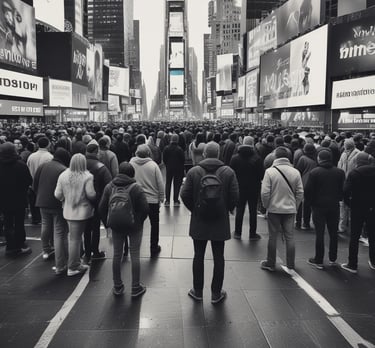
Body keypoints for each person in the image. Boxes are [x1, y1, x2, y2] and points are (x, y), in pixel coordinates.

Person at [180, 141, 239, 304]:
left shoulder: (193, 171)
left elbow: (184, 194)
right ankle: (216, 293)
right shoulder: (228, 172)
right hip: (220, 220)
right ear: (219, 154)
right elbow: (235, 195)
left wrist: (195, 209)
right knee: (219, 256)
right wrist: (227, 208)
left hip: (200, 220)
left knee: (198, 255)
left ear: (204, 154)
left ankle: (197, 291)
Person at [99, 162, 149, 296]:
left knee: (117, 254)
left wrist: (108, 223)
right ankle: (135, 287)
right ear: (132, 173)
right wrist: (138, 222)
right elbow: (145, 208)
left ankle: (117, 286)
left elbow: (101, 208)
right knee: (135, 255)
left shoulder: (109, 187)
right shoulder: (136, 187)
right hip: (134, 227)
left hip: (116, 225)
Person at [260, 147, 304, 272]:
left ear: (275, 157)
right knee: (290, 237)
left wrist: (266, 205)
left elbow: (265, 193)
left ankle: (270, 262)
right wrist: (295, 205)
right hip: (290, 209)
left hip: (274, 209)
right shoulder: (295, 172)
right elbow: (300, 192)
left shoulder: (270, 172)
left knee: (272, 236)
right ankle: (291, 263)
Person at [55, 153, 96, 276]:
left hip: (67, 211)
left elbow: (57, 194)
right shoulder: (87, 176)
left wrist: (65, 199)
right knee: (75, 239)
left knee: (72, 238)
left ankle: (67, 264)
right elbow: (91, 194)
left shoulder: (63, 175)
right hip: (82, 212)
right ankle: (73, 267)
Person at [304, 150, 345, 269]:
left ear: (319, 159)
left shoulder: (315, 172)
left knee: (320, 233)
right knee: (333, 233)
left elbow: (308, 190)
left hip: (318, 206)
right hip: (334, 205)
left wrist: (310, 202)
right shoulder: (340, 172)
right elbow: (343, 189)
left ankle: (319, 259)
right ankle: (333, 258)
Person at [33, 148, 71, 267]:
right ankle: (62, 259)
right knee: (59, 232)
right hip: (56, 203)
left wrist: (39, 195)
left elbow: (35, 184)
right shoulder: (63, 170)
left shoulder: (42, 166)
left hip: (41, 201)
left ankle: (46, 249)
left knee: (45, 225)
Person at [342, 153, 375, 273]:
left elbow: (345, 191)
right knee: (373, 235)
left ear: (357, 161)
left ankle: (352, 264)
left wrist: (349, 204)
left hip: (357, 207)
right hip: (372, 207)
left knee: (354, 236)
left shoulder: (354, 173)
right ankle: (373, 261)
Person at [130, 144, 164, 257]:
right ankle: (154, 247)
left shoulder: (131, 164)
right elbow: (160, 183)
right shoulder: (153, 165)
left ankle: (134, 246)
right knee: (155, 224)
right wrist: (161, 197)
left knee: (137, 223)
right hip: (152, 200)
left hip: (137, 198)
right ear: (149, 153)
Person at [0, 142, 32, 256]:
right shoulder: (21, 165)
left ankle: (10, 246)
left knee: (8, 223)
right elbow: (29, 181)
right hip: (19, 198)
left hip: (3, 200)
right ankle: (19, 245)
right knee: (19, 223)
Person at [230, 136, 264, 240]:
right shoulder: (257, 158)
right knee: (253, 210)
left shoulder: (235, 158)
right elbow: (261, 175)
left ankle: (237, 232)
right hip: (254, 188)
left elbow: (231, 174)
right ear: (252, 144)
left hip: (239, 187)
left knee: (240, 209)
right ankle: (252, 234)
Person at [84, 140, 112, 264]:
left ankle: (87, 250)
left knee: (85, 227)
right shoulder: (101, 167)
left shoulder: (80, 164)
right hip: (97, 200)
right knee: (95, 226)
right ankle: (95, 251)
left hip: (82, 199)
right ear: (96, 152)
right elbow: (109, 184)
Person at [27, 137, 53, 224]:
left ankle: (35, 218)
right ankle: (42, 218)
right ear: (48, 144)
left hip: (32, 182)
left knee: (33, 202)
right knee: (42, 204)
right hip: (44, 183)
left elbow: (28, 168)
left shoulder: (31, 156)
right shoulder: (50, 157)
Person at [337, 139, 360, 234]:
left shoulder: (358, 154)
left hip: (353, 182)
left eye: (346, 145)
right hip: (344, 182)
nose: (345, 147)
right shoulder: (343, 154)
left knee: (352, 204)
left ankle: (352, 226)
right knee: (343, 205)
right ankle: (342, 227)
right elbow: (339, 165)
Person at [295, 143, 317, 229]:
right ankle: (306, 223)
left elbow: (298, 171)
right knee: (308, 204)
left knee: (300, 203)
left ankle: (298, 222)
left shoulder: (303, 158)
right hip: (313, 183)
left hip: (303, 182)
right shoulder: (316, 159)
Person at [163, 134, 185, 206]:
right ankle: (175, 200)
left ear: (171, 139)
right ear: (177, 140)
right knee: (177, 184)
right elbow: (183, 160)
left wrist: (167, 165)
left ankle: (167, 201)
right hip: (178, 168)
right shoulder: (179, 149)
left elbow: (164, 159)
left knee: (168, 183)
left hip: (169, 168)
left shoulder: (166, 148)